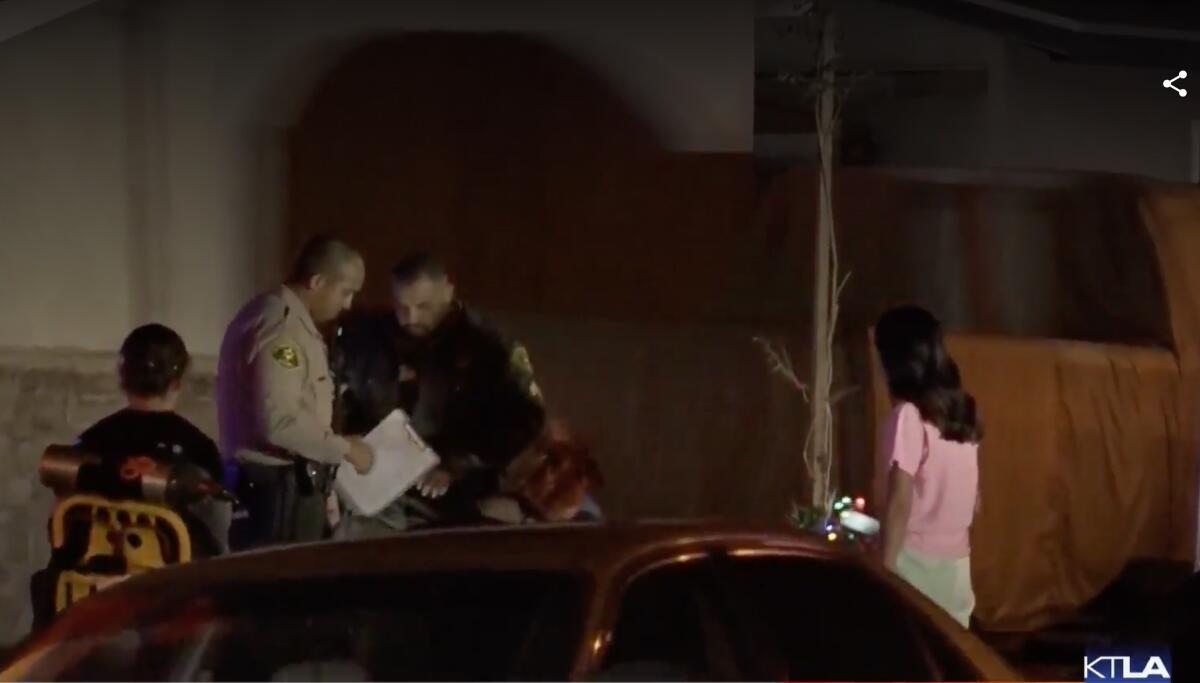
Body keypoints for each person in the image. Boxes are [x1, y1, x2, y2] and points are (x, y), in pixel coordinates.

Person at [332, 252, 547, 537]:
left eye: (423, 306)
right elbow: (342, 399)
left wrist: (458, 464)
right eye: (402, 306)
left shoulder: (489, 349)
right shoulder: (369, 337)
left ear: (448, 290)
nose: (410, 318)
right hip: (376, 491)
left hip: (457, 497)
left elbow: (525, 421)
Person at [30, 323, 228, 630]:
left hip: (88, 598)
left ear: (124, 378)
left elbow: (60, 524)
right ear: (178, 381)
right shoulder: (200, 450)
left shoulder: (90, 443)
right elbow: (217, 539)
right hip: (169, 600)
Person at [217, 235, 374, 550]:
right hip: (275, 498)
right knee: (278, 591)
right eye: (345, 292)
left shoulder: (291, 322)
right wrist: (344, 449)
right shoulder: (282, 327)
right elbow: (279, 423)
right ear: (317, 281)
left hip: (288, 491)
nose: (348, 304)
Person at [876, 305, 983, 628]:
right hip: (956, 566)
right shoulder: (962, 412)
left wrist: (884, 569)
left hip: (913, 562)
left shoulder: (908, 416)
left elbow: (900, 500)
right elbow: (976, 502)